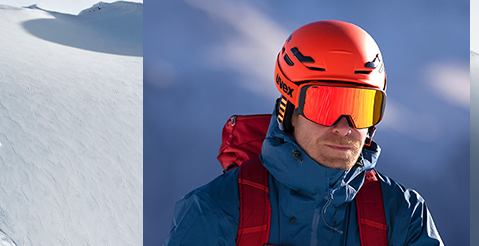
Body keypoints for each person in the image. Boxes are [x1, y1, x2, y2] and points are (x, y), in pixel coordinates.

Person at [164, 21, 443, 246]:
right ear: (289, 108)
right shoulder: (216, 212)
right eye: (325, 105)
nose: (344, 127)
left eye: (361, 108)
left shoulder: (403, 216)